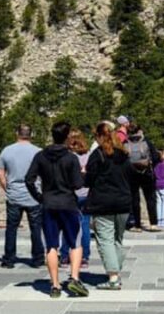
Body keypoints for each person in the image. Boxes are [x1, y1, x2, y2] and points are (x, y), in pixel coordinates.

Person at [25, 121, 89, 299]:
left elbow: (29, 179)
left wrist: (39, 197)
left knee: (51, 245)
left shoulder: (41, 156)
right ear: (67, 136)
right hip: (68, 204)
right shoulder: (71, 158)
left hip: (48, 204)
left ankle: (54, 285)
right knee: (75, 243)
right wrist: (83, 174)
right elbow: (77, 184)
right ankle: (74, 278)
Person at [85, 122, 135, 291]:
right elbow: (131, 178)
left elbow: (89, 180)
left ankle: (113, 277)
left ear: (99, 136)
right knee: (117, 240)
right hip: (123, 202)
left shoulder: (97, 155)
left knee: (105, 240)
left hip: (103, 203)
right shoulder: (124, 154)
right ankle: (116, 272)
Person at [0, 124, 44, 269]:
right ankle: (37, 258)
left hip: (14, 194)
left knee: (11, 228)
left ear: (16, 133)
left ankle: (9, 259)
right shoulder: (38, 152)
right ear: (31, 134)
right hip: (34, 195)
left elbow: (0, 173)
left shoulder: (7, 150)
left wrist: (7, 188)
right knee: (36, 228)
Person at [60, 130, 91, 268]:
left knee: (67, 226)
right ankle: (84, 256)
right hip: (86, 193)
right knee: (84, 226)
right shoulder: (89, 155)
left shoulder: (67, 156)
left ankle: (65, 255)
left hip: (71, 194)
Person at [125, 124, 160, 232]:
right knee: (150, 198)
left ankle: (137, 224)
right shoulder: (146, 141)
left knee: (134, 200)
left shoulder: (125, 143)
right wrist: (150, 166)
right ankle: (153, 223)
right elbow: (155, 157)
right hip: (146, 173)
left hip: (131, 174)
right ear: (139, 131)